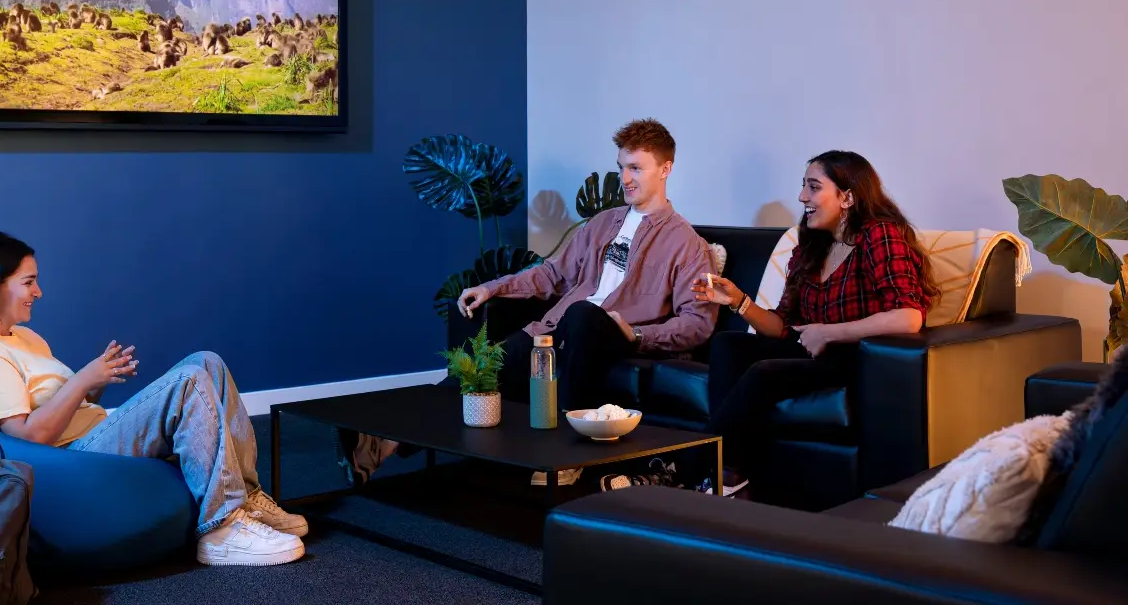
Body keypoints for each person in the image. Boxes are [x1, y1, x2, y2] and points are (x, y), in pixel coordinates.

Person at [335, 119, 720, 488]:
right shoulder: (604, 223)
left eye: (636, 168)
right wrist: (494, 288)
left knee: (585, 314)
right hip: (557, 331)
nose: (625, 179)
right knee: (482, 374)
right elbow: (553, 272)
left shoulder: (686, 244)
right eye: (621, 167)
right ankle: (383, 444)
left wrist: (635, 332)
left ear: (666, 169)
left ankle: (567, 457)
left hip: (613, 334)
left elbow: (697, 324)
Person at [0, 231, 307, 567]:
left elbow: (69, 403)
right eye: (29, 282)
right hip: (74, 460)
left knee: (207, 362)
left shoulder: (21, 337)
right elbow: (25, 439)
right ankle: (222, 530)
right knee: (188, 381)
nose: (39, 292)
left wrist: (99, 379)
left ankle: (245, 498)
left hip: (96, 432)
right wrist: (83, 380)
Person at [691, 150, 939, 498]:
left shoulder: (879, 235)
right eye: (803, 186)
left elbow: (909, 316)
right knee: (729, 344)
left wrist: (830, 332)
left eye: (813, 187)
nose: (802, 197)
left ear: (848, 197)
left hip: (854, 357)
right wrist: (738, 301)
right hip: (810, 350)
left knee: (764, 372)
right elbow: (781, 326)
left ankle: (691, 466)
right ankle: (729, 471)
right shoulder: (811, 245)